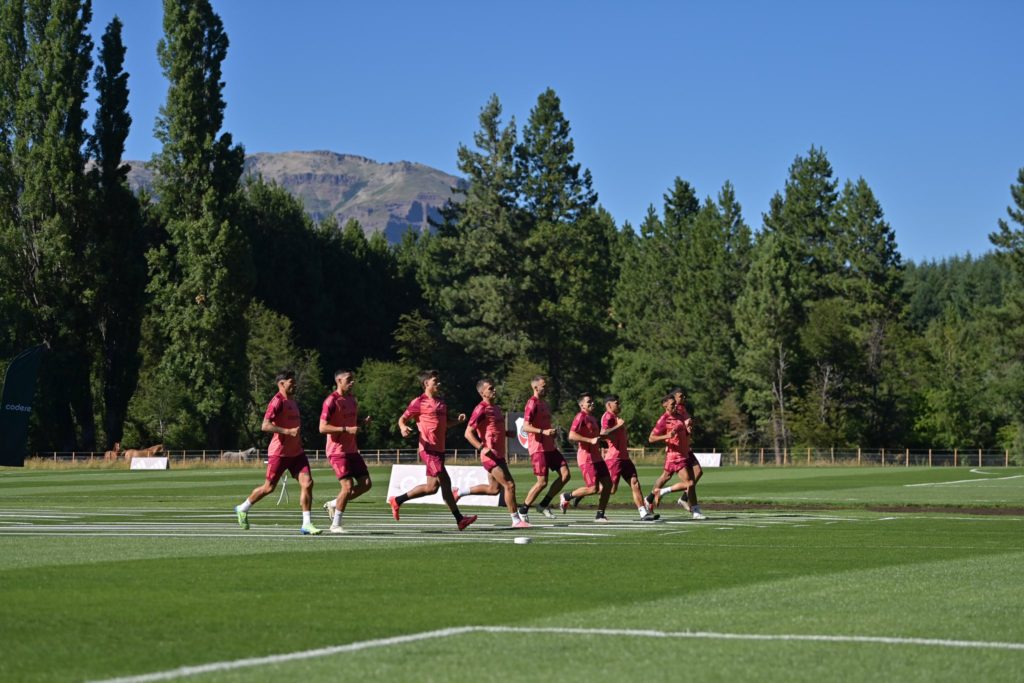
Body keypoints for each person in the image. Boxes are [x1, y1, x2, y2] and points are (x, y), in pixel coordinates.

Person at [235, 370, 322, 535]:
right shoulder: (277, 401)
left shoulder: (293, 401)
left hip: (296, 453)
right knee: (268, 488)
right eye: (291, 381)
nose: (294, 384)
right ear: (281, 383)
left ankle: (306, 524)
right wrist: (287, 432)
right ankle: (243, 507)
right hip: (279, 453)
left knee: (308, 483)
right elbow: (265, 426)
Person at [389, 369, 478, 531]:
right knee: (446, 481)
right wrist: (403, 427)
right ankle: (459, 519)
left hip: (439, 449)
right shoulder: (419, 402)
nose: (439, 383)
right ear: (426, 384)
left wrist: (456, 421)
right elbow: (403, 418)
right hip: (428, 449)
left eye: (438, 381)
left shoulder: (442, 402)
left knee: (432, 488)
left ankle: (397, 500)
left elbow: (445, 424)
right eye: (435, 381)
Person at [455, 378, 530, 528]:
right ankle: (516, 520)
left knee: (494, 490)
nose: (494, 390)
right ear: (482, 392)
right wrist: (482, 448)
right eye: (490, 388)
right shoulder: (480, 409)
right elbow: (468, 433)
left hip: (499, 454)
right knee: (509, 485)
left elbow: (493, 428)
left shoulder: (495, 408)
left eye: (494, 387)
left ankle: (459, 492)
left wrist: (507, 433)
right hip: (490, 456)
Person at [319, 369, 372, 534]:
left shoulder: (352, 400)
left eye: (353, 379)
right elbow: (322, 428)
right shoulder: (331, 401)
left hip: (352, 450)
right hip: (337, 451)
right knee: (347, 487)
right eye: (349, 379)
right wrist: (346, 429)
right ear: (339, 381)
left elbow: (351, 423)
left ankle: (334, 503)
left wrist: (362, 423)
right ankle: (335, 524)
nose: (352, 382)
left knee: (366, 484)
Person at [519, 375, 571, 520]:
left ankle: (543, 505)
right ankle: (523, 510)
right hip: (538, 448)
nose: (546, 388)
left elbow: (544, 425)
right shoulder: (532, 403)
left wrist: (551, 433)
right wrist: (543, 432)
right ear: (535, 387)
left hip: (549, 446)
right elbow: (526, 426)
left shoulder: (544, 404)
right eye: (544, 386)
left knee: (566, 475)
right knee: (542, 482)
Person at [646, 393, 706, 519]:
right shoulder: (664, 420)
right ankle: (661, 493)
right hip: (675, 455)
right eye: (672, 404)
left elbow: (684, 434)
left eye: (675, 404)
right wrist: (666, 436)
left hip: (684, 453)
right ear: (665, 405)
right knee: (689, 483)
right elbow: (651, 438)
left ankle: (651, 497)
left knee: (669, 477)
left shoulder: (679, 416)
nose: (675, 406)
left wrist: (688, 431)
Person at [601, 394, 659, 521]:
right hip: (614, 459)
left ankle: (643, 513)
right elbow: (603, 433)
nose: (619, 405)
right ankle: (578, 494)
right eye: (616, 403)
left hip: (625, 458)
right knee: (610, 490)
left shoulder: (616, 417)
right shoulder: (608, 416)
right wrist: (619, 426)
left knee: (635, 483)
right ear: (608, 405)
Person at [559, 392, 613, 522]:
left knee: (608, 485)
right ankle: (567, 496)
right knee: (593, 488)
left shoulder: (593, 418)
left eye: (592, 401)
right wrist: (590, 441)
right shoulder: (580, 417)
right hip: (586, 458)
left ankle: (600, 515)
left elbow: (594, 437)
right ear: (581, 405)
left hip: (597, 457)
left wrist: (603, 438)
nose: (592, 403)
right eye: (589, 402)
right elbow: (571, 435)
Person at [670, 387, 704, 511]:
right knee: (667, 477)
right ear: (673, 398)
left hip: (686, 447)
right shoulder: (673, 411)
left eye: (684, 396)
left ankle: (684, 498)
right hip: (678, 450)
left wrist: (692, 424)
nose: (684, 398)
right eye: (681, 396)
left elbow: (687, 424)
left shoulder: (683, 409)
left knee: (698, 472)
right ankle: (652, 497)